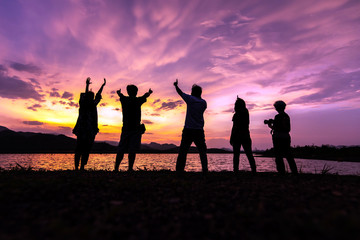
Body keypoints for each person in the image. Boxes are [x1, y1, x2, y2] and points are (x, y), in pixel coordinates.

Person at [114, 85, 153, 172]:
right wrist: (149, 93)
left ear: (128, 92)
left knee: (122, 149)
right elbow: (145, 96)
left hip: (127, 128)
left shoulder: (125, 100)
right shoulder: (137, 100)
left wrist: (119, 93)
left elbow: (120, 95)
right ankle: (130, 168)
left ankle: (116, 168)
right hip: (135, 129)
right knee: (132, 149)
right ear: (135, 92)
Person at [174, 79, 208, 173]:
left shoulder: (190, 99)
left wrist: (176, 86)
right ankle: (205, 170)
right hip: (199, 130)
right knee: (202, 152)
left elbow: (180, 93)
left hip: (188, 129)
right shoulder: (204, 103)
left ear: (193, 92)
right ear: (200, 93)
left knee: (183, 151)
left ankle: (179, 170)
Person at [73, 77, 106, 170]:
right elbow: (96, 95)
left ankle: (81, 167)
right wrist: (87, 85)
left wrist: (102, 86)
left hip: (88, 130)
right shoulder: (84, 104)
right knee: (81, 148)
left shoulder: (90, 104)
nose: (91, 98)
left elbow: (98, 95)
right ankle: (78, 167)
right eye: (90, 96)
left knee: (84, 149)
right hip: (84, 129)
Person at [266, 100, 298, 175]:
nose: (275, 108)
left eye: (276, 107)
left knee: (278, 156)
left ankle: (281, 172)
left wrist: (270, 125)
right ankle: (294, 172)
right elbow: (288, 128)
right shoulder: (286, 116)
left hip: (278, 138)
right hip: (286, 137)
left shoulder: (277, 117)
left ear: (277, 108)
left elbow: (276, 128)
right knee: (288, 155)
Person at [230, 97, 256, 173]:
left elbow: (235, 127)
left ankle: (236, 170)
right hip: (244, 136)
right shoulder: (244, 112)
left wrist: (232, 137)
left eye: (236, 105)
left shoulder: (241, 113)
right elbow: (234, 127)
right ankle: (253, 170)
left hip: (241, 136)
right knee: (247, 154)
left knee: (239, 154)